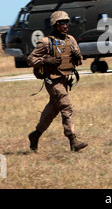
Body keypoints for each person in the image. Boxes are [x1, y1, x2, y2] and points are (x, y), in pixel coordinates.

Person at [27, 11, 88, 152]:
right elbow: (30, 59)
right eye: (62, 23)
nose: (65, 25)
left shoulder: (71, 40)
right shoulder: (45, 42)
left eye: (67, 22)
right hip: (52, 80)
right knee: (66, 106)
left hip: (65, 79)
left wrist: (78, 56)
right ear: (55, 25)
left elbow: (78, 62)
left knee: (52, 110)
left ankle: (35, 135)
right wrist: (46, 60)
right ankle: (73, 140)